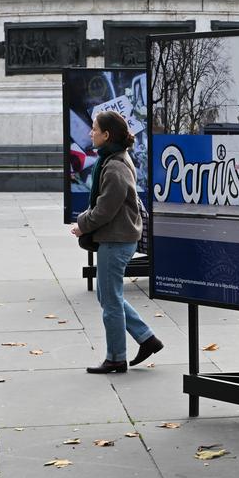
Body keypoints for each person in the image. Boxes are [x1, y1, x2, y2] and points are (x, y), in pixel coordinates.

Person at [69, 111, 163, 374]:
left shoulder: (115, 166)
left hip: (116, 239)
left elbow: (105, 209)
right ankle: (147, 338)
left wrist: (82, 223)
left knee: (110, 301)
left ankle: (116, 358)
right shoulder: (113, 159)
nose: (90, 133)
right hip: (117, 237)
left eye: (95, 129)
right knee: (107, 295)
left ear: (106, 135)